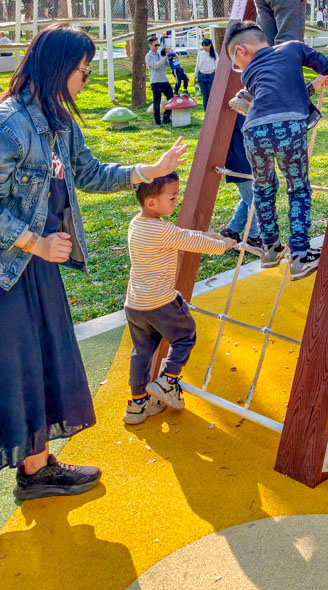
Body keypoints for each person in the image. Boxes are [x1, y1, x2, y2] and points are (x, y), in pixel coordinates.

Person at [0, 25, 187, 499]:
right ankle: (34, 466)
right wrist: (33, 243)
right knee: (18, 366)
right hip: (11, 268)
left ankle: (37, 467)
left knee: (42, 361)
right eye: (83, 71)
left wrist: (151, 169)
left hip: (37, 268)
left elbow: (92, 174)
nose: (85, 79)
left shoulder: (59, 121)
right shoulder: (11, 124)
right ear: (59, 68)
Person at [224, 20, 328, 280]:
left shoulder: (250, 73)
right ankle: (300, 254)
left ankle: (270, 248)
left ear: (241, 51)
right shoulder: (293, 48)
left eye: (236, 63)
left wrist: (312, 86)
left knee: (263, 188)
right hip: (289, 128)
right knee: (298, 188)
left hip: (254, 130)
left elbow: (275, 97)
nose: (239, 69)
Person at [123, 171, 235, 425]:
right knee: (185, 336)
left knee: (141, 352)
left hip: (135, 305)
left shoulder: (137, 224)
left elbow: (180, 235)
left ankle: (137, 405)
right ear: (152, 202)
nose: (177, 201)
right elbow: (188, 241)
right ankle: (167, 382)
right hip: (161, 304)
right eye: (172, 197)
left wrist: (204, 234)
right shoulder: (163, 231)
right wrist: (224, 243)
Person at [217, 117, 262, 249]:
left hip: (243, 158)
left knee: (248, 197)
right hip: (243, 159)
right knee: (255, 199)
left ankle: (232, 231)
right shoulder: (238, 107)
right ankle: (254, 237)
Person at [147, 36, 173, 126]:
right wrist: (165, 58)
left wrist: (172, 58)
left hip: (164, 80)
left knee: (171, 98)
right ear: (150, 45)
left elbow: (167, 64)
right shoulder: (148, 56)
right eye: (155, 45)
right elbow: (156, 65)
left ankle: (166, 117)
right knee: (157, 101)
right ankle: (158, 121)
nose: (157, 47)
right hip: (156, 82)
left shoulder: (159, 55)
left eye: (158, 45)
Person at [194, 37, 218, 109]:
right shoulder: (200, 54)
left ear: (210, 45)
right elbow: (197, 66)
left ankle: (212, 111)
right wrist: (195, 77)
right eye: (203, 46)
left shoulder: (214, 54)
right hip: (201, 75)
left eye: (206, 45)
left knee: (211, 95)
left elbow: (217, 66)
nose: (204, 47)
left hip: (211, 75)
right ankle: (206, 113)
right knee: (205, 96)